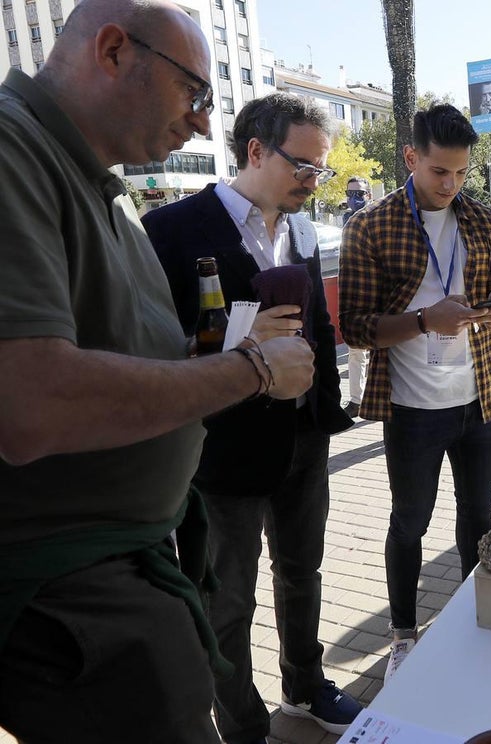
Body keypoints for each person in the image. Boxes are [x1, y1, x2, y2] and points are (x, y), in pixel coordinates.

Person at [0, 2, 315, 741]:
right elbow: (29, 403)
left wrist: (221, 356)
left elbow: (132, 350)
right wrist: (251, 370)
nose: (205, 124)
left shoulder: (95, 183)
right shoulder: (14, 151)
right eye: (196, 94)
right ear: (113, 51)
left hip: (120, 572)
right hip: (73, 592)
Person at [143, 93, 361, 742]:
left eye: (321, 170)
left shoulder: (298, 228)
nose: (313, 182)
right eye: (303, 165)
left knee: (304, 574)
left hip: (302, 442)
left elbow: (316, 327)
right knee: (227, 602)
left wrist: (326, 414)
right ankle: (243, 727)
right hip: (220, 455)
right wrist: (242, 339)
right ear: (256, 151)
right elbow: (153, 347)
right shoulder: (172, 231)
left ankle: (305, 687)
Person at [338, 104, 491, 682]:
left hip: (480, 404)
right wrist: (424, 322)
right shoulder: (370, 225)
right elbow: (355, 327)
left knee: (478, 517)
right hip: (412, 410)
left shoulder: (485, 223)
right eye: (441, 171)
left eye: (462, 173)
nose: (452, 184)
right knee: (409, 523)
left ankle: (474, 618)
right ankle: (401, 636)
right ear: (411, 157)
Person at [342, 175, 374, 418]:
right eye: (351, 193)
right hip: (354, 297)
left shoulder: (379, 220)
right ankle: (356, 399)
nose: (355, 199)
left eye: (360, 194)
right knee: (355, 350)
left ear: (369, 195)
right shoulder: (344, 222)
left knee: (383, 350)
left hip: (378, 297)